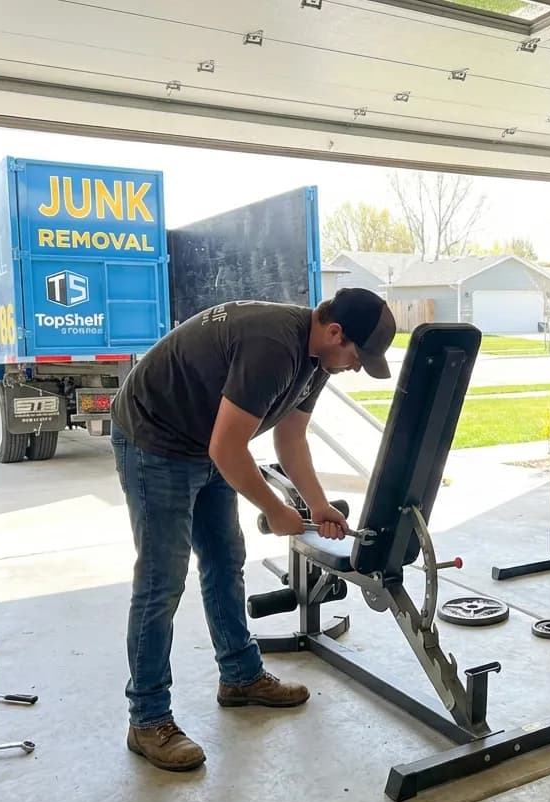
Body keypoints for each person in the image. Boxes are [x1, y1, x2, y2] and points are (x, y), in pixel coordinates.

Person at [109, 288, 397, 771]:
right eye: (356, 356)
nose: (355, 366)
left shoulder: (318, 362)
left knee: (224, 560)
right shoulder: (273, 347)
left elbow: (290, 436)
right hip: (154, 440)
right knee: (162, 581)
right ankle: (147, 718)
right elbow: (228, 449)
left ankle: (240, 676)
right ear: (334, 332)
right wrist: (276, 508)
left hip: (205, 442)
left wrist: (316, 504)